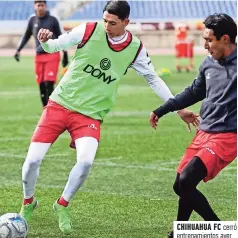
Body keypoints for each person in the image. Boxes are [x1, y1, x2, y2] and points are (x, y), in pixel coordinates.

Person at [20, 0, 199, 234]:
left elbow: (153, 78)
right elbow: (55, 46)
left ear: (126, 22)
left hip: (90, 115)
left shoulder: (135, 48)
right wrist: (45, 40)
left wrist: (179, 109)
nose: (106, 26)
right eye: (105, 20)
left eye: (113, 23)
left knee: (85, 161)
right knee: (32, 161)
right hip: (59, 105)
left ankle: (62, 204)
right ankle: (28, 201)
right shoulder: (88, 29)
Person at [149, 13, 237, 238]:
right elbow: (195, 91)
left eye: (209, 40)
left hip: (227, 136)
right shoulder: (208, 63)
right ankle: (182, 232)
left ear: (225, 39)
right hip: (204, 131)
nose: (205, 45)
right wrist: (163, 109)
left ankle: (220, 231)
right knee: (180, 185)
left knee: (188, 179)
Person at [14, 0, 69, 107]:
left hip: (52, 55)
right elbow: (26, 35)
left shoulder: (53, 20)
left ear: (45, 6)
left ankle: (52, 108)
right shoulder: (32, 20)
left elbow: (61, 37)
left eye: (42, 5)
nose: (40, 7)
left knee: (49, 82)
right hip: (39, 56)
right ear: (35, 6)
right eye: (38, 5)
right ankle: (46, 109)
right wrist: (18, 50)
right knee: (41, 84)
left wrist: (65, 54)